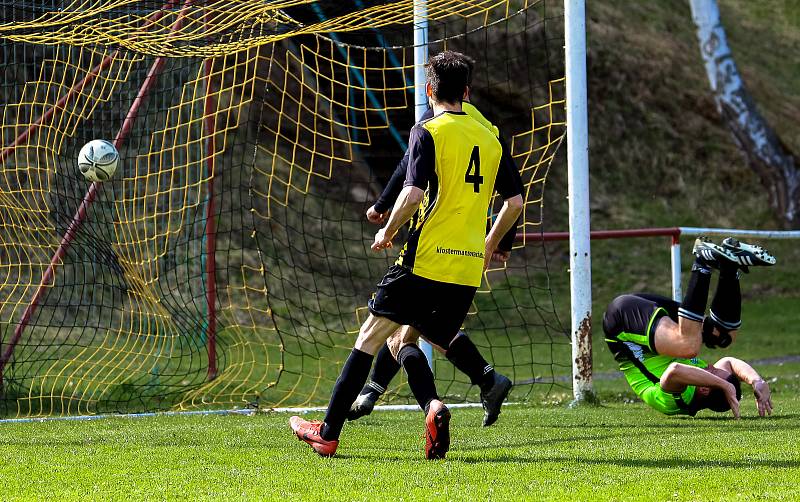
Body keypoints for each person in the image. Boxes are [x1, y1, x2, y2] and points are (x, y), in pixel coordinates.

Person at [289, 50, 524, 459]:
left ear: (430, 90)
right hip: (466, 266)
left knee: (370, 337)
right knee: (422, 336)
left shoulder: (428, 132)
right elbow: (516, 202)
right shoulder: (491, 138)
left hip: (424, 259)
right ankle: (459, 393)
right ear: (466, 92)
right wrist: (488, 245)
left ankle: (327, 431)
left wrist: (387, 230)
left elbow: (413, 192)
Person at [349, 88, 522, 428]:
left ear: (431, 90)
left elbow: (407, 172)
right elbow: (513, 191)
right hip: (469, 249)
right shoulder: (487, 130)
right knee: (409, 331)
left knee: (410, 329)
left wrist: (383, 206)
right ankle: (381, 392)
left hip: (434, 246)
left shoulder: (437, 124)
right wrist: (500, 243)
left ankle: (480, 381)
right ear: (467, 91)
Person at [603, 237, 775, 417]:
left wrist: (724, 385)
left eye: (713, 372)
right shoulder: (703, 382)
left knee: (689, 346)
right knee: (723, 337)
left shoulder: (677, 399)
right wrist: (756, 381)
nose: (711, 365)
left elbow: (674, 370)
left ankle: (702, 262)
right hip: (645, 318)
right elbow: (730, 362)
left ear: (704, 390)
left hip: (622, 324)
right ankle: (729, 266)